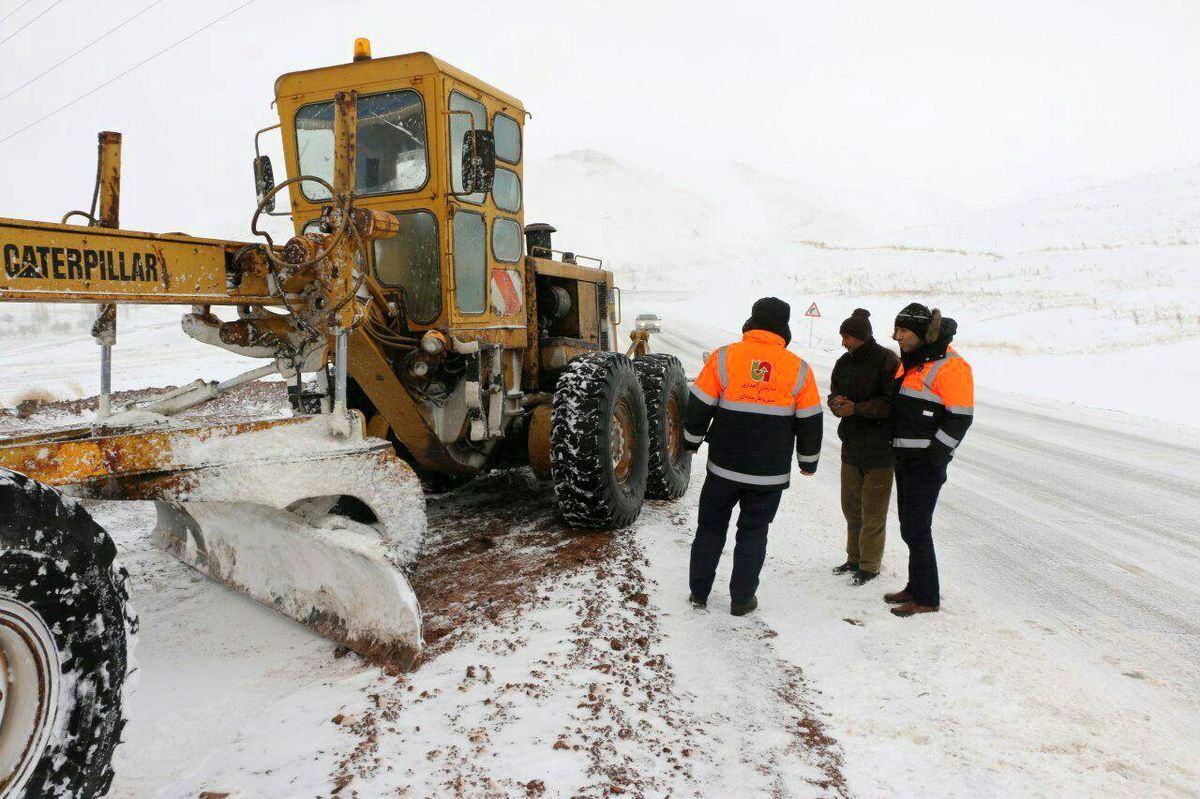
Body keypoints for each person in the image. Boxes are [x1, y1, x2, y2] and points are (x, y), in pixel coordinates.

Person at [682, 297, 823, 616]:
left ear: (752, 321)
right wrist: (807, 462)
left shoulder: (724, 357)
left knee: (710, 528)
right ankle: (741, 599)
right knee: (754, 533)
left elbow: (699, 405)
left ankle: (699, 593)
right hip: (768, 474)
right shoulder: (798, 369)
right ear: (783, 328)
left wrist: (691, 442)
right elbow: (811, 420)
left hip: (723, 468)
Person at [885, 303, 974, 617]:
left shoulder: (952, 366)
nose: (897, 337)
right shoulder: (912, 362)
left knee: (918, 528)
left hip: (925, 462)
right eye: (897, 330)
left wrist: (935, 456)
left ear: (921, 333)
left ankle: (927, 598)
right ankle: (915, 586)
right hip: (905, 457)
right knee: (909, 526)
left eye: (904, 331)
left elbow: (960, 418)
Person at [827, 309, 900, 586]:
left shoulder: (887, 361)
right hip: (851, 445)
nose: (843, 342)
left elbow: (890, 404)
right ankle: (854, 558)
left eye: (847, 337)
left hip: (880, 449)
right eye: (842, 336)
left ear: (861, 337)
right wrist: (836, 404)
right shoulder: (843, 362)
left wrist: (855, 408)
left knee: (873, 510)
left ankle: (870, 565)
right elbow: (833, 392)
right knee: (851, 507)